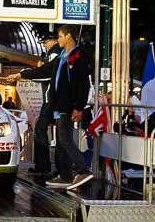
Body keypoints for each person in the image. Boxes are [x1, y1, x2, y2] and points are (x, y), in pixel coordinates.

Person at [8, 25, 93, 189]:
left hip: (67, 106)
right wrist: (22, 74)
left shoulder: (78, 57)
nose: (58, 40)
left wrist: (79, 107)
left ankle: (83, 170)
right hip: (58, 105)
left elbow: (84, 84)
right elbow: (44, 71)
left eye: (60, 36)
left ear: (69, 36)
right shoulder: (62, 57)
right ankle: (66, 175)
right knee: (62, 141)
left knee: (64, 139)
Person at [8, 35, 62, 176]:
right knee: (59, 134)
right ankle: (56, 168)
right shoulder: (55, 53)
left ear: (56, 40)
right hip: (53, 99)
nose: (44, 45)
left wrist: (23, 74)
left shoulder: (56, 53)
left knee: (43, 130)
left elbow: (47, 74)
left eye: (46, 42)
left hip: (51, 100)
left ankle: (45, 166)